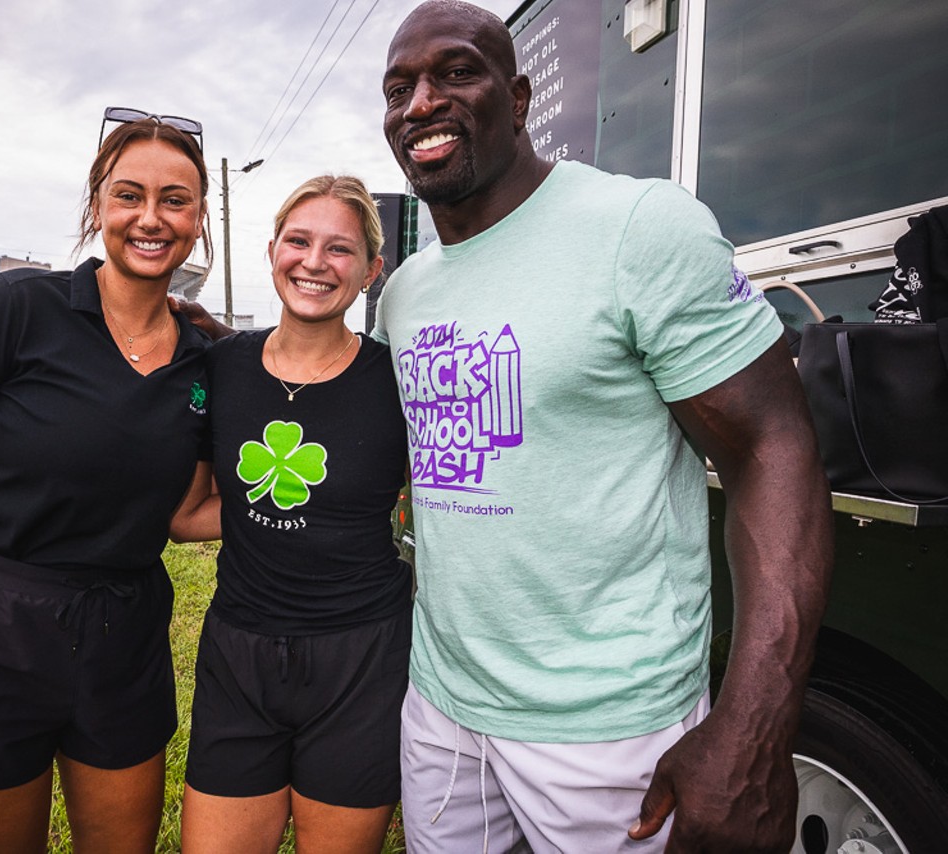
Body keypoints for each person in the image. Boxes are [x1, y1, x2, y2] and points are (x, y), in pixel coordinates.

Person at [373, 2, 834, 852]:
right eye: (399, 88)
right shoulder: (404, 292)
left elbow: (775, 448)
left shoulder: (637, 227)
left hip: (610, 732)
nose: (421, 103)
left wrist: (755, 727)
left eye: (456, 73)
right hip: (442, 712)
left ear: (518, 100)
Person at [0, 114, 213, 853]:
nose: (150, 218)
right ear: (97, 207)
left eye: (174, 199)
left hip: (124, 634)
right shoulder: (17, 309)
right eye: (129, 195)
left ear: (199, 219)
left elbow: (186, 513)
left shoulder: (203, 358)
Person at [170, 176, 412, 854]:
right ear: (272, 249)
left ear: (371, 271)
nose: (313, 262)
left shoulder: (399, 380)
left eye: (340, 250)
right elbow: (187, 517)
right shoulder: (220, 368)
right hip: (239, 656)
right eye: (299, 241)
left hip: (361, 658)